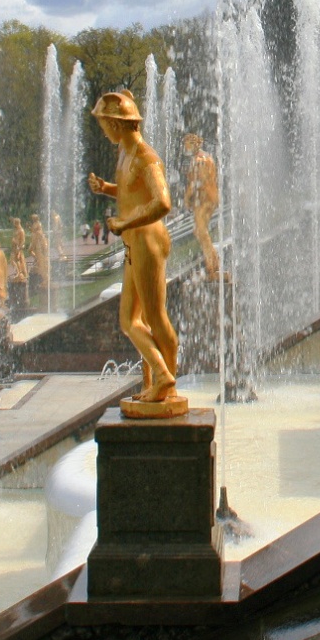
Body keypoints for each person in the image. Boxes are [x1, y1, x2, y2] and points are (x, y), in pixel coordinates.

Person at [87, 90, 180, 413]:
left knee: (153, 316)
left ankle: (164, 378)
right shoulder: (125, 154)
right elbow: (132, 191)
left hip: (148, 240)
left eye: (104, 123)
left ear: (117, 123)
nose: (103, 129)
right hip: (133, 239)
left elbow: (162, 202)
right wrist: (107, 189)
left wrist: (125, 221)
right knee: (130, 319)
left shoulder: (145, 157)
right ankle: (157, 380)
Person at [183, 133, 222, 280]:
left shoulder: (198, 160)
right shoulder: (207, 158)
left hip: (205, 198)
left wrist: (187, 199)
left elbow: (195, 183)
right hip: (211, 197)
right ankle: (213, 262)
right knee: (199, 231)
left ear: (193, 144)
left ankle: (213, 264)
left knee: (200, 231)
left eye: (186, 144)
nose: (185, 147)